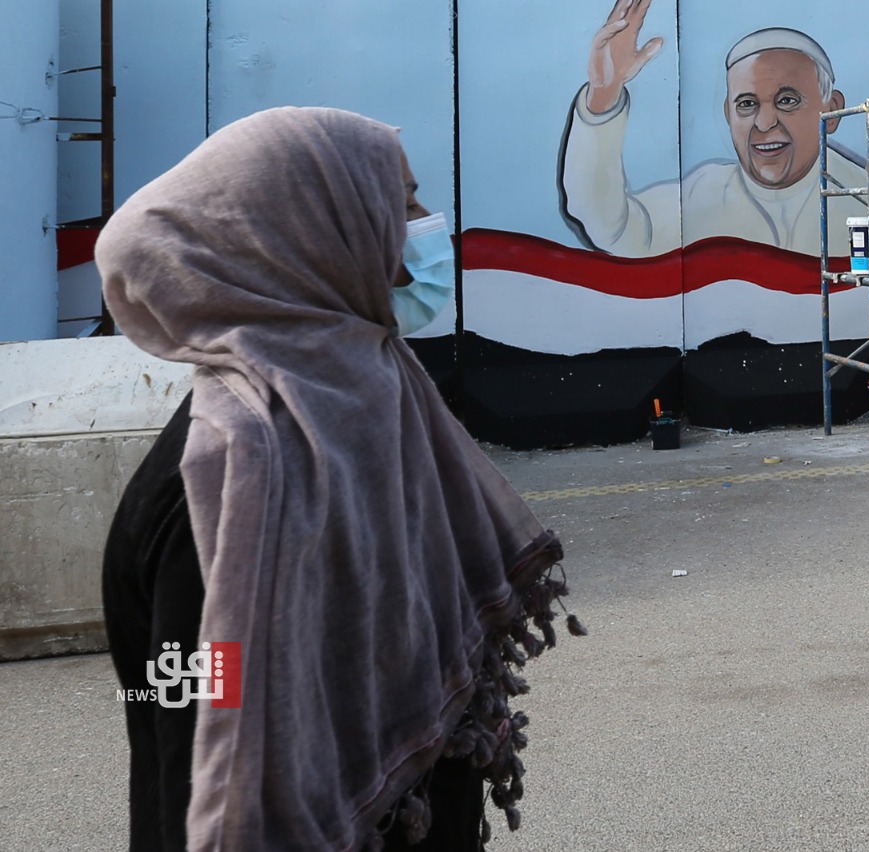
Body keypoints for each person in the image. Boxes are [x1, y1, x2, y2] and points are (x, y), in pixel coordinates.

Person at [97, 106, 581, 851]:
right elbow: (193, 729)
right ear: (313, 235)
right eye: (403, 203)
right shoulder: (228, 475)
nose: (426, 226)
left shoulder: (373, 397)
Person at [560, 3, 869, 257]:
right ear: (729, 115)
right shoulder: (700, 196)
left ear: (831, 110)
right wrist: (603, 97)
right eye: (747, 104)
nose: (764, 123)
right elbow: (609, 226)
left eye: (787, 100)